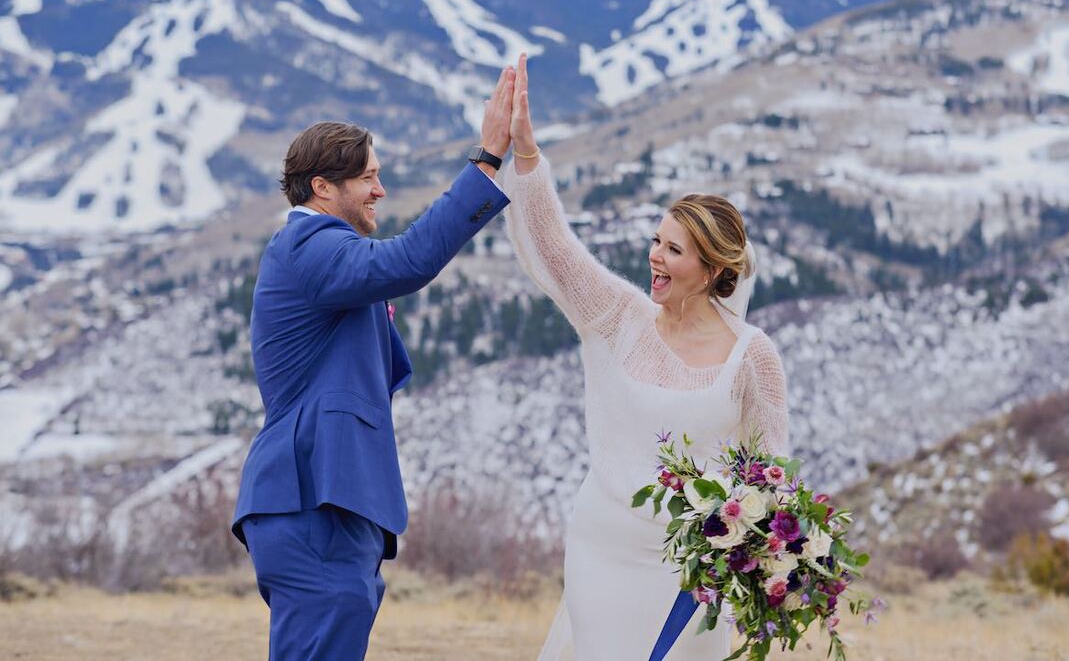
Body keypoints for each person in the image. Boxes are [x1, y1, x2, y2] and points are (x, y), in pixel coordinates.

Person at [502, 55, 791, 659]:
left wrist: (768, 567)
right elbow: (557, 250)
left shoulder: (752, 358)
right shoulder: (619, 317)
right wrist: (526, 156)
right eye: (656, 241)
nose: (655, 257)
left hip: (692, 574)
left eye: (674, 250)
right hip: (602, 550)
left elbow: (772, 478)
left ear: (712, 271)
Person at [230, 66, 516, 660]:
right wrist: (486, 159)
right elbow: (408, 261)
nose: (380, 190)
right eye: (368, 178)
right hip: (314, 498)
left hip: (335, 503)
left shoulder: (324, 257)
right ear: (322, 188)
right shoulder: (308, 245)